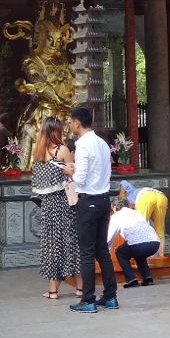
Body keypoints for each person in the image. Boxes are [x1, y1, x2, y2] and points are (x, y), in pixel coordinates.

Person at [65, 106, 117, 315]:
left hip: (88, 201)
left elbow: (80, 178)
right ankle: (110, 296)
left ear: (77, 123)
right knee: (102, 250)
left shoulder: (83, 145)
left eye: (71, 122)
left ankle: (88, 300)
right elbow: (107, 171)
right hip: (104, 199)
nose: (70, 125)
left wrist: (69, 171)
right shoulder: (102, 143)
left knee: (86, 253)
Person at [30, 117, 79, 300]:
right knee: (72, 244)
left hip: (48, 207)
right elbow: (73, 174)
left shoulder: (38, 152)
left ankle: (53, 291)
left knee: (52, 247)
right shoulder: (63, 150)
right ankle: (80, 289)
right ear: (56, 131)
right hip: (64, 204)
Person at [107, 197, 160, 287]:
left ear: (114, 207)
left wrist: (106, 248)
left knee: (120, 252)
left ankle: (131, 279)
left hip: (138, 244)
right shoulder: (136, 213)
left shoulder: (116, 216)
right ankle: (148, 278)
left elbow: (110, 236)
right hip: (155, 242)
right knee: (139, 254)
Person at [118, 180, 168, 256]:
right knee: (160, 231)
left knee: (141, 229)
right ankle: (161, 258)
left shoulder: (128, 195)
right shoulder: (134, 191)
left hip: (145, 197)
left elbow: (123, 182)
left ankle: (143, 258)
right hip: (161, 197)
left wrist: (121, 196)